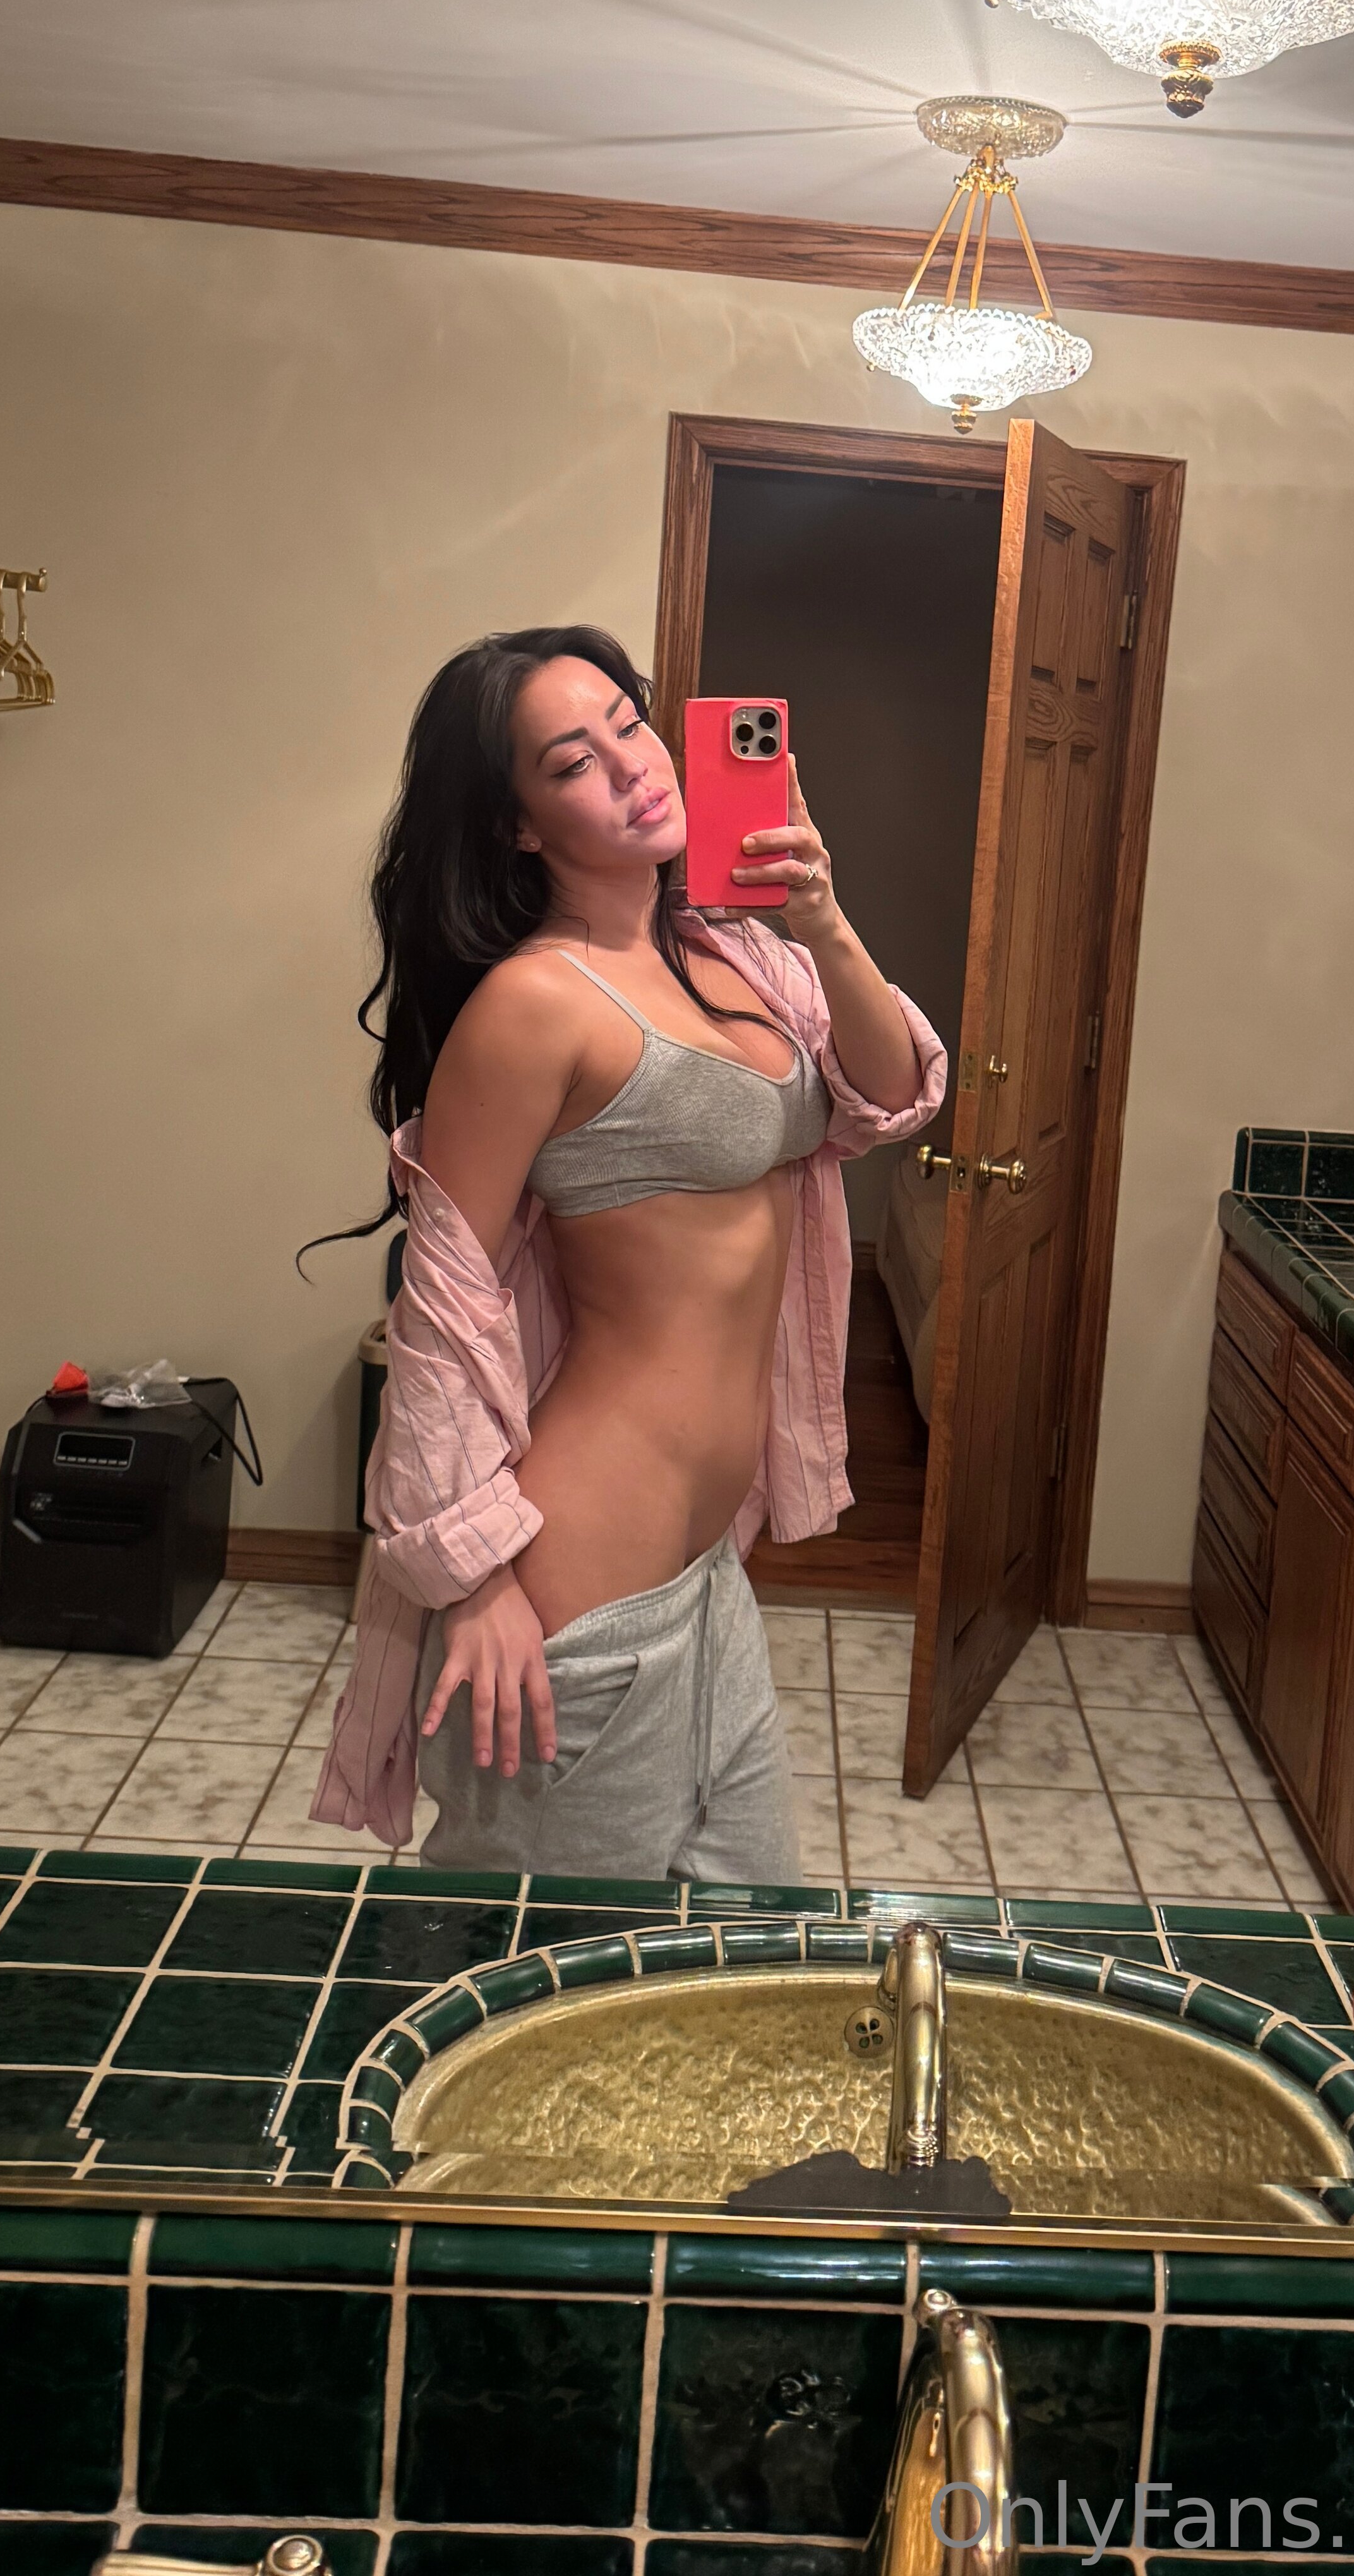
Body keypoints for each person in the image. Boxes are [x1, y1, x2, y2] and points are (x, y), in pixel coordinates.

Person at [311, 625, 945, 1879]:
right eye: (572, 762)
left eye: (629, 724)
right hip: (577, 1595)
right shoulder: (534, 1004)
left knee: (748, 1944)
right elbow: (444, 1302)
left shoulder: (730, 952)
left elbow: (888, 1094)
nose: (631, 765)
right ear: (518, 825)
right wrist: (478, 1585)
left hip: (708, 1573)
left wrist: (822, 919)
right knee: (542, 1977)